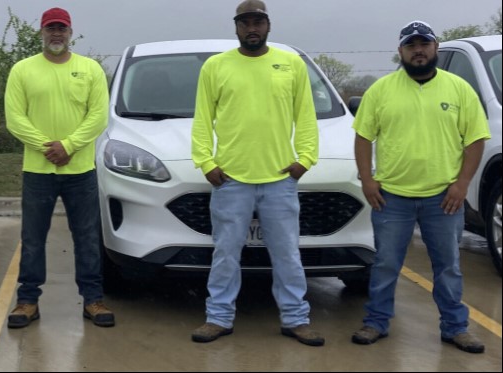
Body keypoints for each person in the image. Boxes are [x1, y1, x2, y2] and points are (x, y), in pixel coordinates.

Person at [190, 0, 324, 346]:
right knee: (225, 254)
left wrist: (305, 159)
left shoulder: (291, 64)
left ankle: (296, 318)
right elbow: (202, 119)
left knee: (287, 254)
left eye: (258, 22)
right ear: (236, 27)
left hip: (280, 179)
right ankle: (218, 317)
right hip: (231, 180)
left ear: (268, 26)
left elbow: (305, 117)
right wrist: (206, 163)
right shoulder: (216, 67)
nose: (252, 28)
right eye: (245, 22)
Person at [351, 20, 489, 354]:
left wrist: (462, 185)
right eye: (411, 45)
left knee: (448, 267)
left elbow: (475, 140)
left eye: (424, 44)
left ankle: (456, 327)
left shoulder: (459, 89)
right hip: (392, 198)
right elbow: (363, 136)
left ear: (435, 48)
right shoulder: (381, 90)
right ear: (400, 51)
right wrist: (368, 180)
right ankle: (376, 322)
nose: (419, 50)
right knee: (385, 264)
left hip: (443, 199)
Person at [4, 7, 113, 328]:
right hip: (38, 171)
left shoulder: (90, 69)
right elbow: (15, 118)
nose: (56, 34)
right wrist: (46, 146)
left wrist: (68, 145)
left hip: (80, 171)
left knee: (87, 238)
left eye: (61, 29)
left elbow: (98, 116)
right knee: (34, 238)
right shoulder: (22, 70)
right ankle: (27, 301)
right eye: (50, 28)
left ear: (70, 32)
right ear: (42, 32)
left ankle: (93, 300)